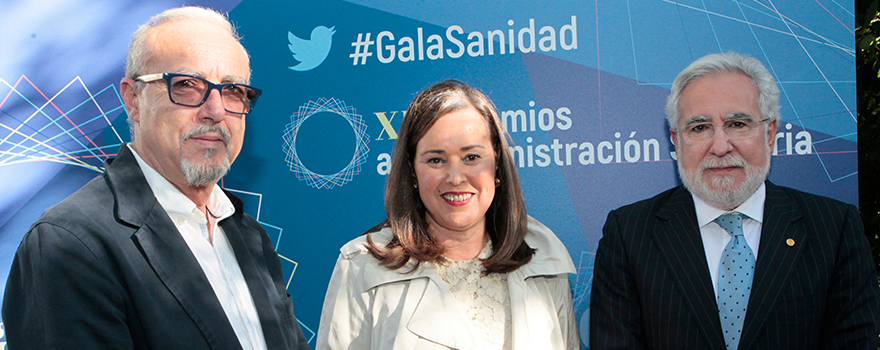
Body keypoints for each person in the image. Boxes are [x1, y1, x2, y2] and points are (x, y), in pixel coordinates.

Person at [2, 6, 311, 350]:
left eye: (232, 90)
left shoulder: (250, 239)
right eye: (187, 86)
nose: (216, 110)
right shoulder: (71, 243)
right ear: (133, 100)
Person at [590, 51, 880, 350]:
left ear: (770, 132)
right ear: (676, 140)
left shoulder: (834, 228)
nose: (720, 146)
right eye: (700, 128)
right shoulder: (629, 234)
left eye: (738, 124)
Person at [316, 80, 579, 349]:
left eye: (472, 157)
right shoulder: (362, 267)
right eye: (436, 160)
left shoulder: (543, 258)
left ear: (497, 160)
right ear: (412, 170)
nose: (455, 177)